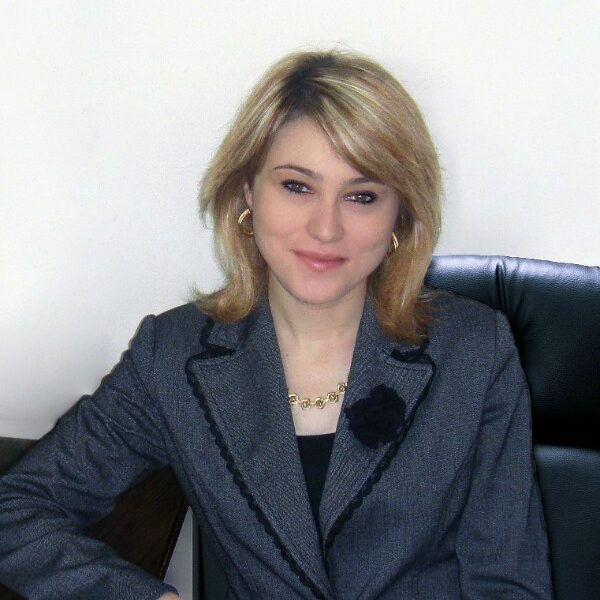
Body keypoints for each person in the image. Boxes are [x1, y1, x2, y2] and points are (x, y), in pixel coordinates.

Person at [0, 50, 553, 599]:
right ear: (248, 191)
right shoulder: (171, 358)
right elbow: (15, 510)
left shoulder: (475, 352)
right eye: (297, 186)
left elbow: (508, 584)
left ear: (399, 217)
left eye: (361, 196)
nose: (326, 228)